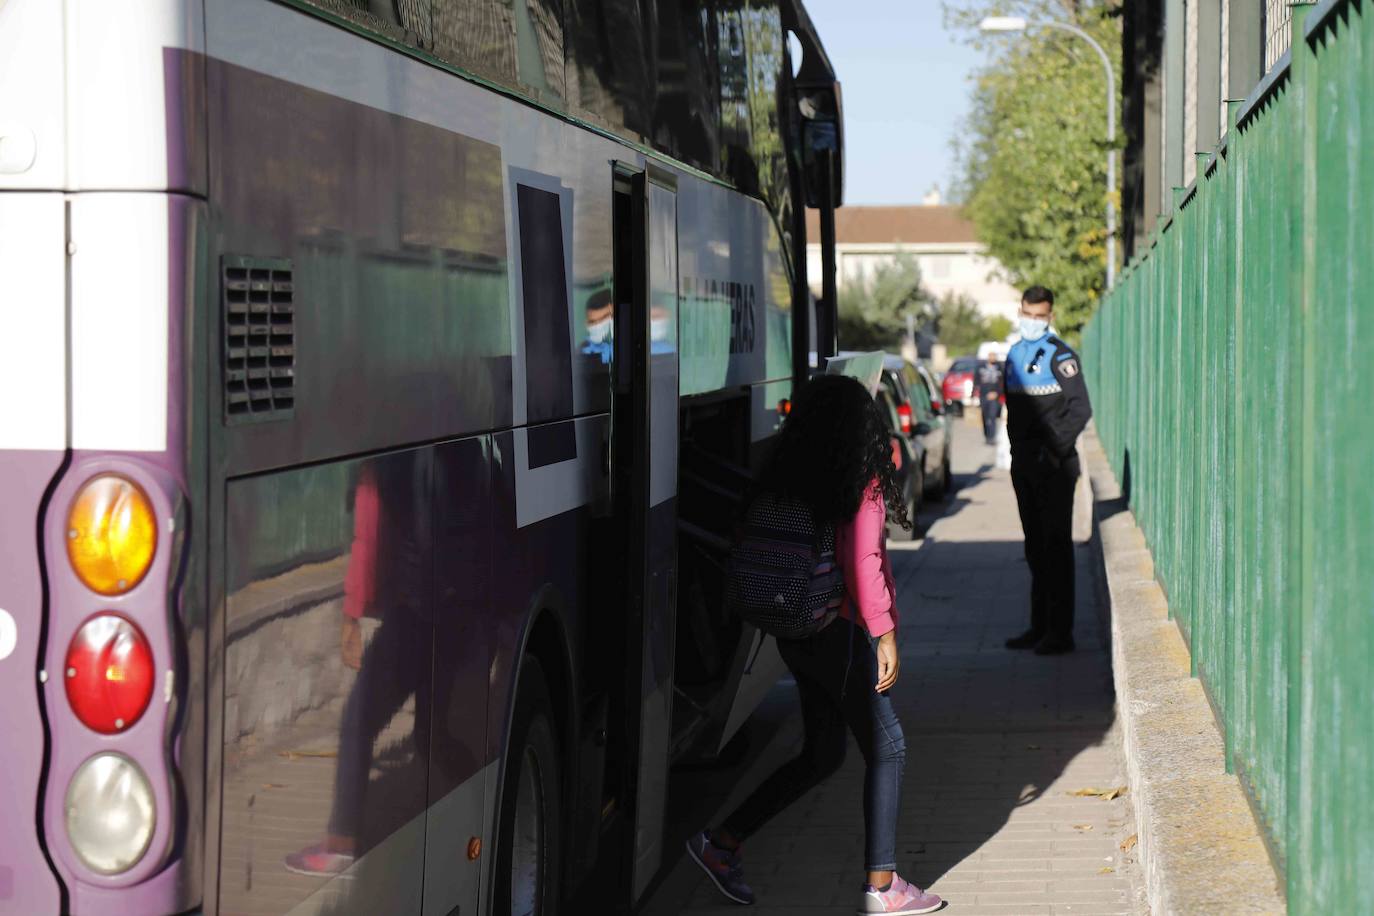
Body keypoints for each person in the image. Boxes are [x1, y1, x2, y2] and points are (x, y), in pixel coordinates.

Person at [685, 375, 943, 916]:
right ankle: (883, 884)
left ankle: (720, 843)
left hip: (796, 632)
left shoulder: (789, 471)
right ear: (861, 425)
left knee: (823, 754)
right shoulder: (857, 475)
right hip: (839, 632)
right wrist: (884, 631)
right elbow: (864, 561)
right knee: (888, 746)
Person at [1002, 286, 1092, 656]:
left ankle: (1060, 633)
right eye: (1028, 314)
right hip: (1023, 465)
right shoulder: (1013, 354)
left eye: (1040, 316)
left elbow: (1080, 409)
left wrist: (1051, 449)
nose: (1033, 322)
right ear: (1019, 311)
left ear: (1050, 316)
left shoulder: (1062, 356)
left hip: (1055, 468)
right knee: (1034, 547)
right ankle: (1039, 627)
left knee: (1056, 548)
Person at [976, 356, 1004, 444]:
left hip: (994, 396)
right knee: (985, 416)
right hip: (983, 396)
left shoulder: (999, 368)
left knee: (992, 416)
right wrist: (974, 395)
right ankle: (987, 436)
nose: (993, 357)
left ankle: (992, 437)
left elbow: (1003, 383)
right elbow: (976, 382)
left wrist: (997, 393)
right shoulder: (981, 367)